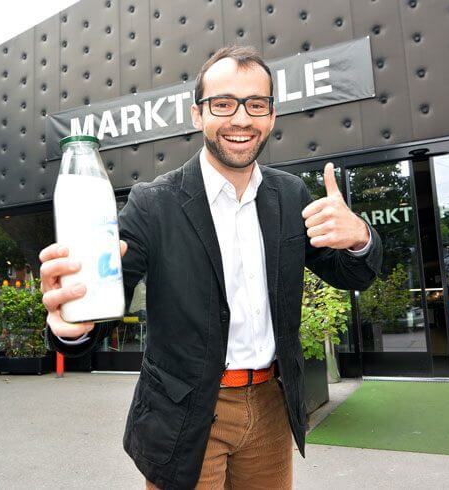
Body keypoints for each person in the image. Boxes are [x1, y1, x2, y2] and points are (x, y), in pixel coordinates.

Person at [39, 45, 382, 489]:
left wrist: (360, 236)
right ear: (198, 114)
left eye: (255, 104)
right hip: (186, 411)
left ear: (271, 116)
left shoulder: (291, 196)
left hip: (272, 407)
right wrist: (73, 323)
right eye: (223, 103)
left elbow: (354, 274)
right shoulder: (152, 204)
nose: (241, 118)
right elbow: (105, 292)